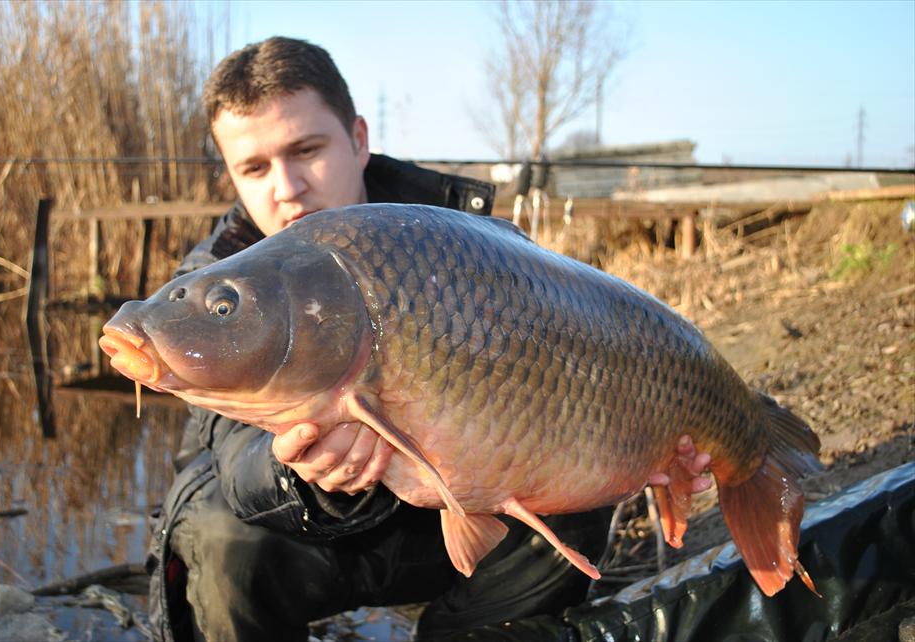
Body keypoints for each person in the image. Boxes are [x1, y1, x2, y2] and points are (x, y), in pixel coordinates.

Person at [146, 36, 711, 642]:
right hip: (298, 542)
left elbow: (562, 368)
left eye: (306, 150)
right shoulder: (212, 286)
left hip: (445, 526)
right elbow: (237, 462)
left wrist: (638, 442)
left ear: (358, 139)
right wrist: (304, 474)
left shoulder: (451, 241)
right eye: (254, 168)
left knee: (571, 507)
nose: (286, 188)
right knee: (216, 537)